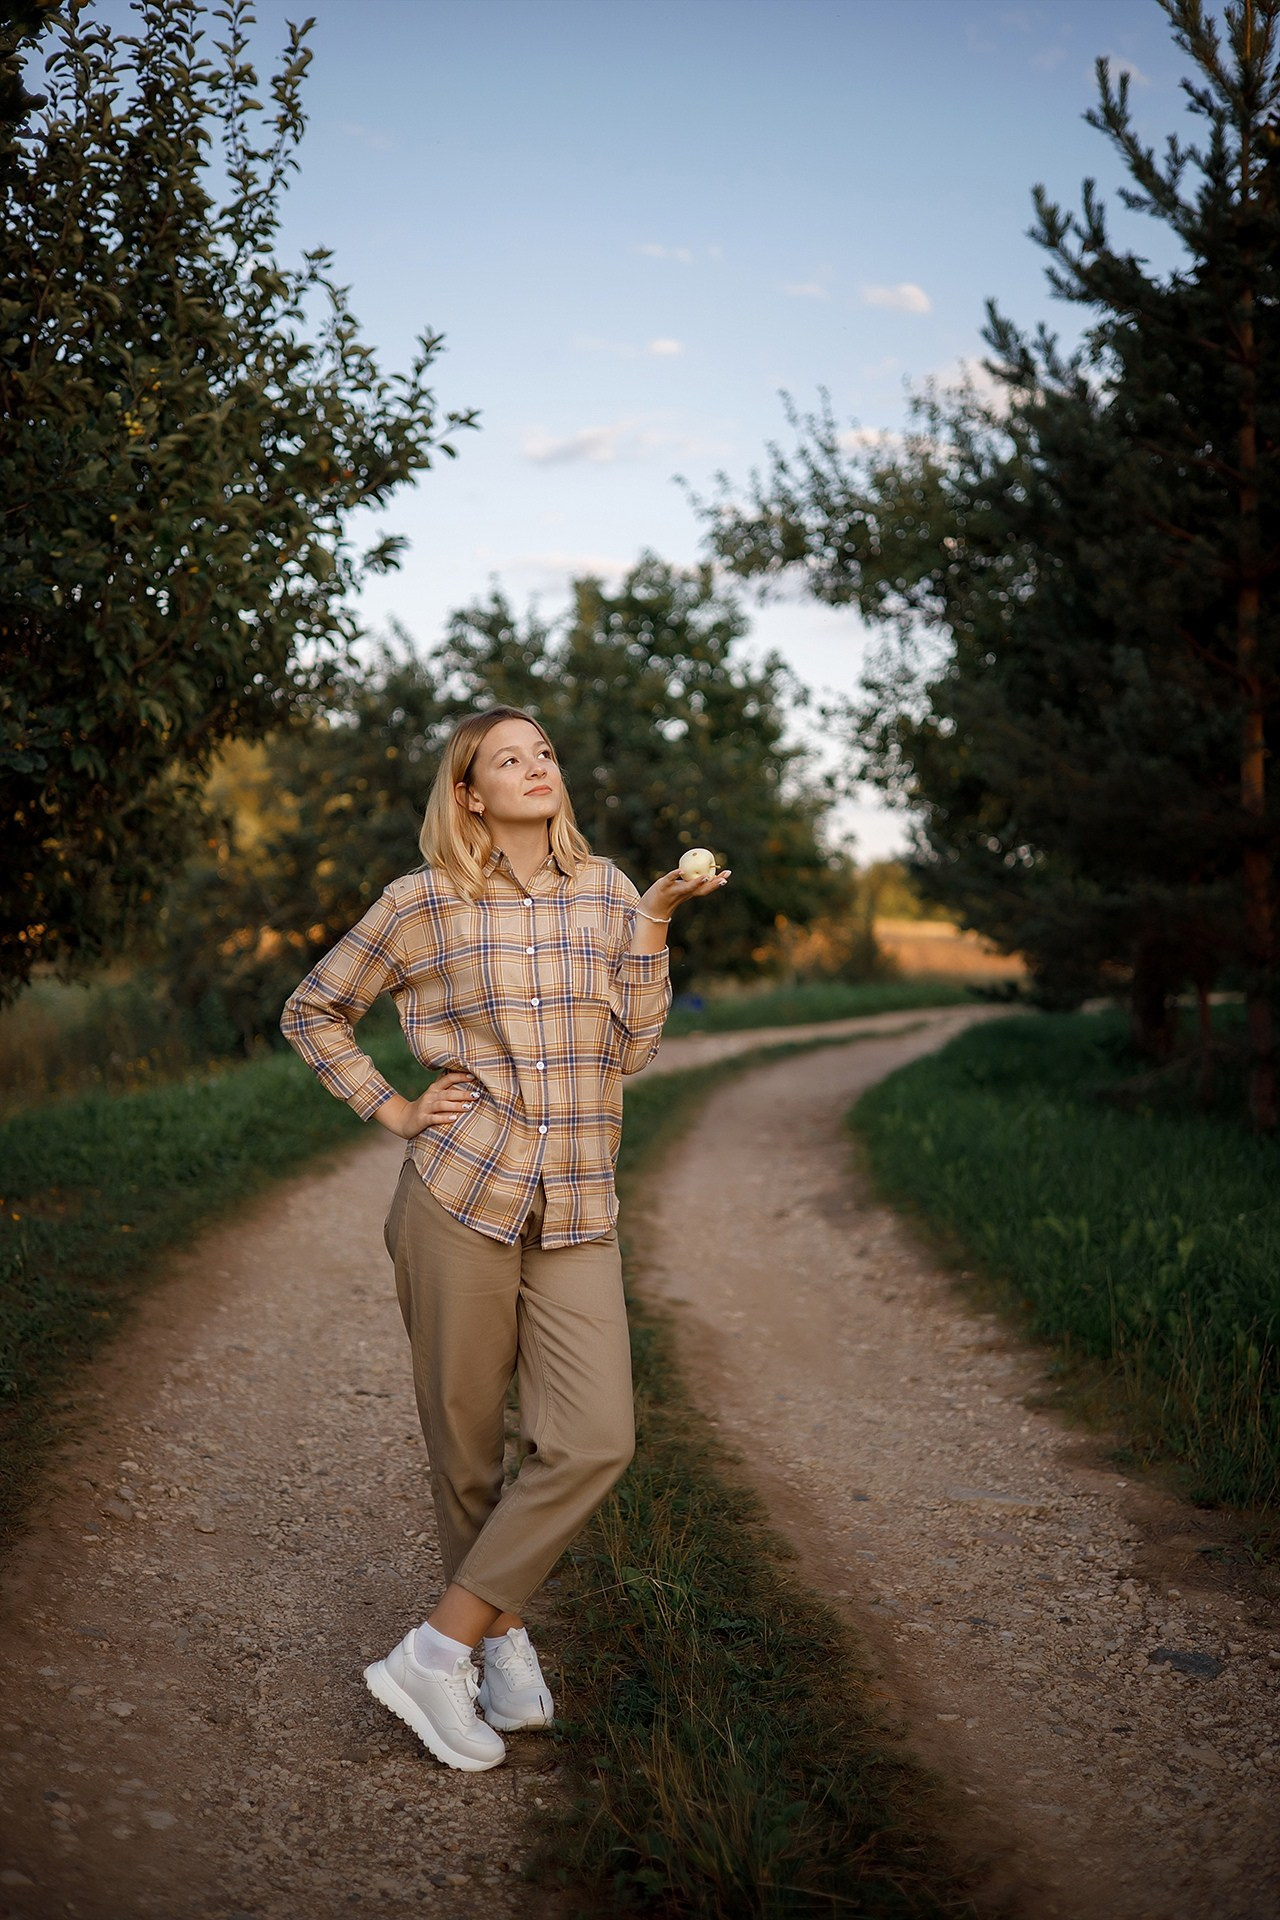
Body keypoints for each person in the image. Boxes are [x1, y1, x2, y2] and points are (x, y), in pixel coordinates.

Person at [280, 704, 730, 1771]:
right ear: (469, 793)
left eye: (545, 754)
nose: (537, 769)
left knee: (592, 1439)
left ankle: (436, 1651)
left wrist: (658, 919)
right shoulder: (420, 902)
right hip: (458, 1192)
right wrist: (392, 1111)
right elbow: (314, 1012)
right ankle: (503, 1640)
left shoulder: (612, 890)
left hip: (576, 1202)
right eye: (508, 760)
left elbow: (631, 1052)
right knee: (467, 1445)